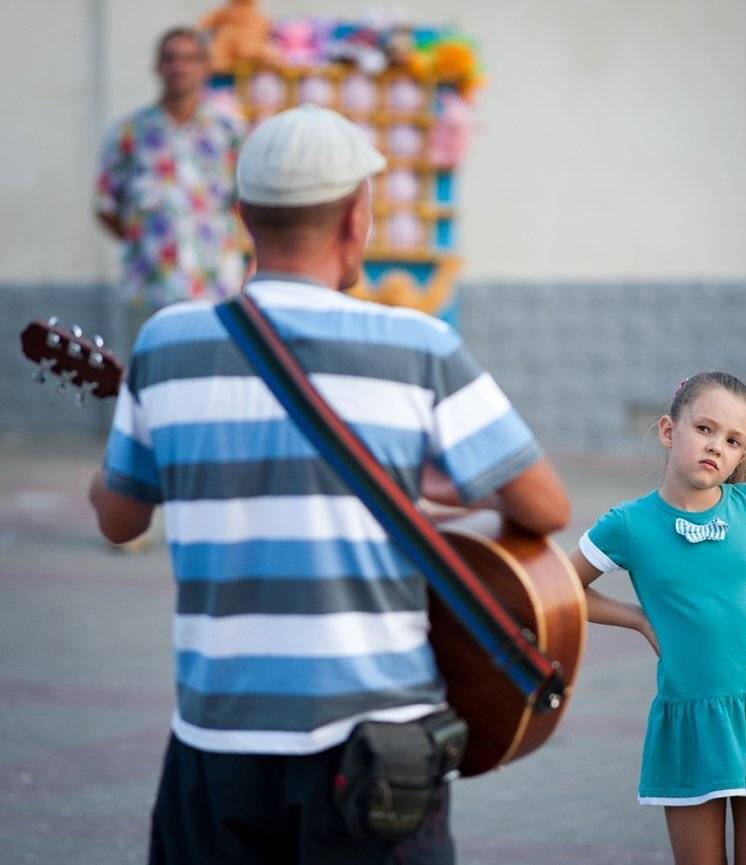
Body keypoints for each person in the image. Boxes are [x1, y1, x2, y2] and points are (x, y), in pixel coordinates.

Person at [88, 104, 571, 865]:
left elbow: (117, 519)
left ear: (245, 217)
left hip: (217, 744)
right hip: (381, 749)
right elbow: (547, 507)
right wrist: (433, 482)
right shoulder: (418, 344)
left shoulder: (165, 343)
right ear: (357, 219)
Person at [570, 371, 746, 865]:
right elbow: (562, 590)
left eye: (733, 440)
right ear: (670, 431)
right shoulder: (630, 523)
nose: (717, 446)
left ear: (740, 455)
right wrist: (639, 620)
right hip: (691, 718)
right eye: (705, 429)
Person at [94, 26, 247, 326]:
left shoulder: (227, 132)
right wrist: (147, 239)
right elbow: (106, 206)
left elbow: (245, 203)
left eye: (190, 59)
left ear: (205, 67)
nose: (180, 67)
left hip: (214, 288)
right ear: (158, 66)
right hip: (150, 290)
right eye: (171, 59)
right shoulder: (130, 133)